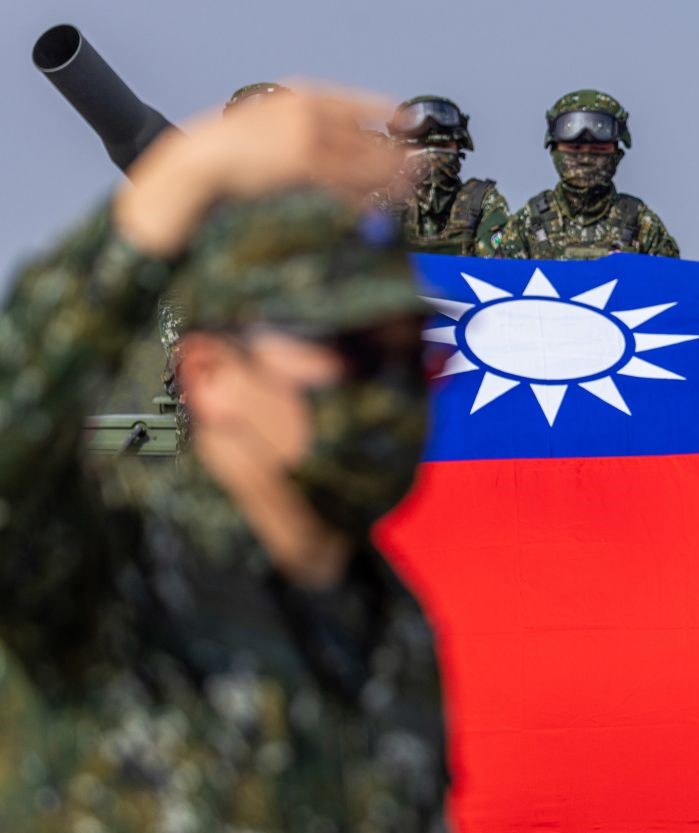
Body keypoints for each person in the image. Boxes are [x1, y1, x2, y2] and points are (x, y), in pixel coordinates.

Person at [0, 89, 450, 832]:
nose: (389, 388)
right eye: (351, 351)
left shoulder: (389, 631)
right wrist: (182, 182)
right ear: (210, 374)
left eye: (412, 358)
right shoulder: (110, 581)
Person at [481, 88, 679, 259]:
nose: (585, 158)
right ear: (554, 150)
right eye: (574, 148)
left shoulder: (641, 224)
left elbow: (672, 285)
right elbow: (499, 285)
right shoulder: (530, 222)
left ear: (616, 153)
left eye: (598, 150)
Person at [382, 95, 510, 255]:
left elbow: (499, 264)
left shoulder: (483, 203)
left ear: (458, 149)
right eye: (420, 145)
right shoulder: (380, 203)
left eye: (441, 145)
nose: (431, 154)